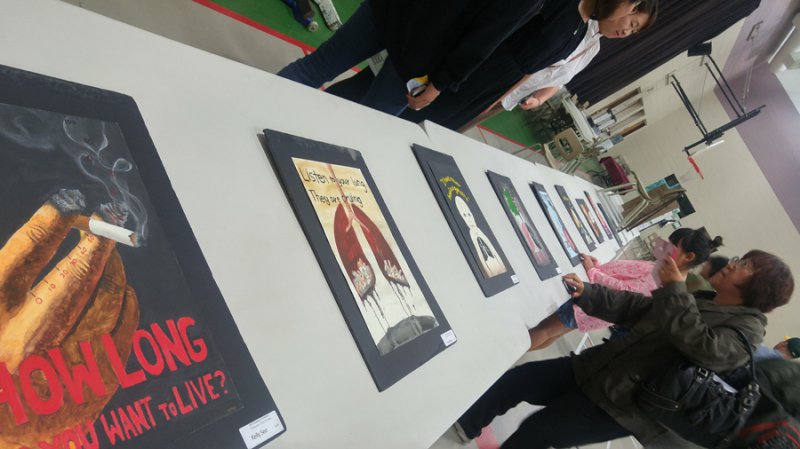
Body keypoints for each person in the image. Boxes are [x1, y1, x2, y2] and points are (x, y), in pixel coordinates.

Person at [455, 250, 794, 448]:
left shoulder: (748, 330)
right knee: (517, 382)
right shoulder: (705, 299)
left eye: (746, 266)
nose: (733, 264)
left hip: (622, 405)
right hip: (599, 368)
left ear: (759, 288)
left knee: (536, 432)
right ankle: (463, 425)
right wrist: (589, 293)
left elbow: (704, 348)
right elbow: (639, 308)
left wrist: (675, 291)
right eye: (740, 259)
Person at [399, 0, 658, 130]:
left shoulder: (580, 31)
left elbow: (535, 69)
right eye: (633, 9)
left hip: (494, 87)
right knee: (411, 116)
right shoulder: (560, 6)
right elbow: (491, 35)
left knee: (436, 128)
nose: (627, 18)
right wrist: (443, 81)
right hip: (475, 71)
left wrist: (496, 99)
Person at [277, 0, 549, 115]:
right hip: (423, 53)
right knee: (365, 118)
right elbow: (483, 38)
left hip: (392, 11)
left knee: (313, 68)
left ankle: (258, 108)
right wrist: (441, 83)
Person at [528, 227, 722, 350]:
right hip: (594, 303)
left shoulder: (665, 280)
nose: (665, 246)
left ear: (688, 257)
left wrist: (593, 272)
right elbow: (628, 275)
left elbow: (623, 291)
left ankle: (515, 351)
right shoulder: (666, 271)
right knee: (553, 332)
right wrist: (599, 267)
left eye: (672, 245)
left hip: (591, 302)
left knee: (545, 330)